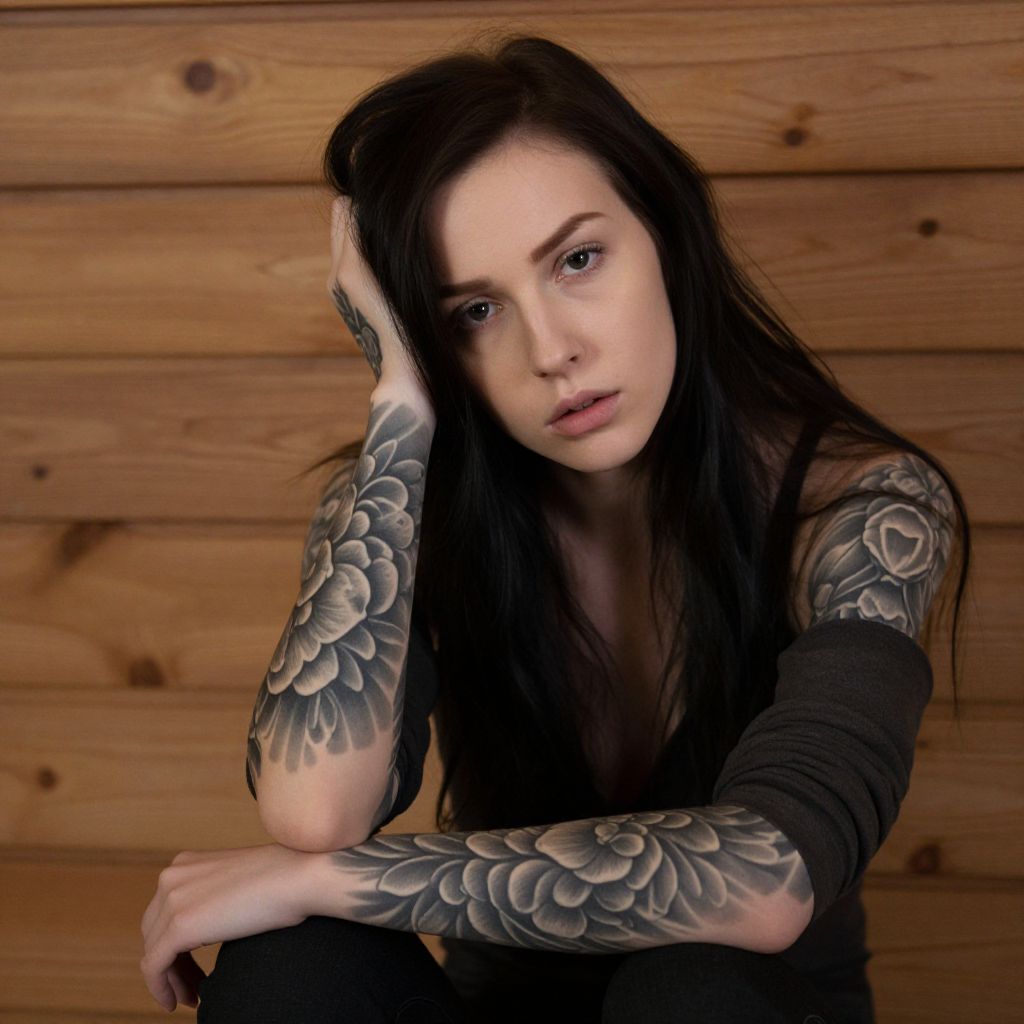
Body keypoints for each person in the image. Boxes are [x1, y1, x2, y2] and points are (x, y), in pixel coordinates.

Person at [139, 32, 971, 1024]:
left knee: (694, 989)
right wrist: (402, 407)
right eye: (474, 312)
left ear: (664, 231)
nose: (551, 351)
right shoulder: (409, 503)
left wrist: (319, 880)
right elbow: (312, 810)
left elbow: (767, 872)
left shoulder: (862, 509)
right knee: (295, 967)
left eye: (577, 259)